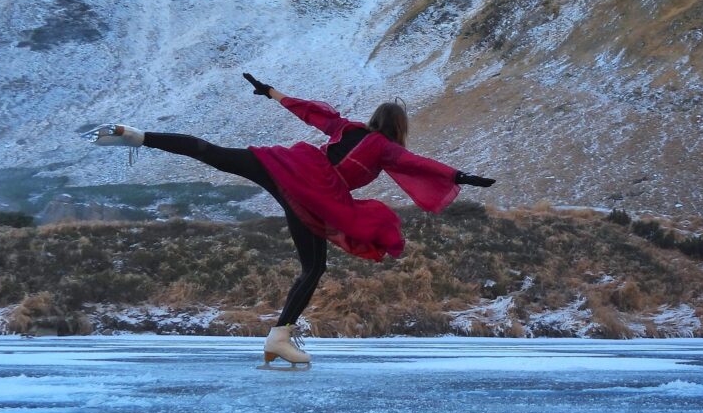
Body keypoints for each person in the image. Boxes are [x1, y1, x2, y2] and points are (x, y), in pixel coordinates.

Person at [84, 73, 495, 367]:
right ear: (398, 128)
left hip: (286, 167)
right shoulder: (386, 148)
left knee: (211, 151)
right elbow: (417, 163)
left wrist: (270, 92)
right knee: (314, 267)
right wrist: (461, 176)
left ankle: (137, 136)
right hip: (315, 195)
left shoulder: (347, 126)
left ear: (373, 118)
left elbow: (311, 113)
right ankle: (279, 335)